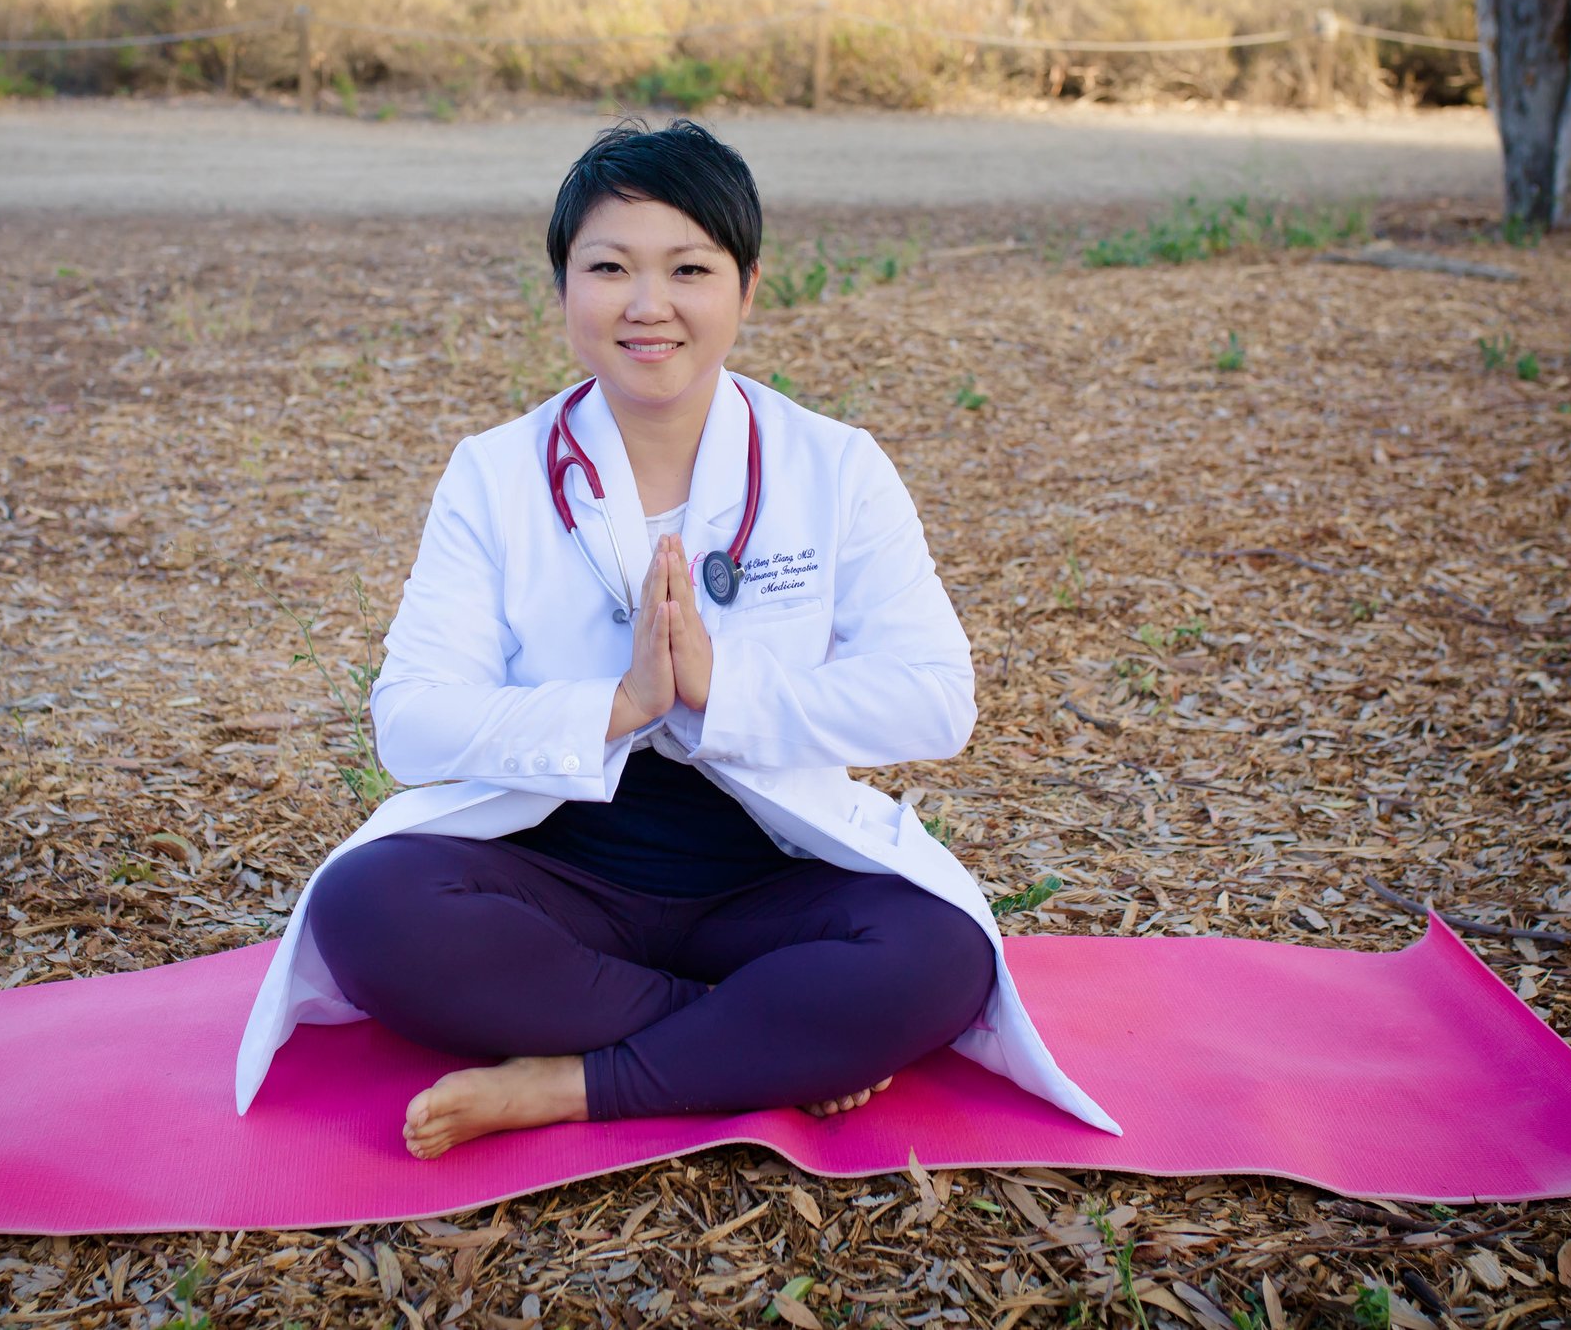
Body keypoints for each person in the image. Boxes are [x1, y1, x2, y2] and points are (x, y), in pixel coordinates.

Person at [232, 118, 1119, 1157]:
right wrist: (620, 706)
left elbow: (934, 698)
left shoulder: (834, 466)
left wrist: (717, 685)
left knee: (937, 953)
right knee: (368, 907)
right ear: (562, 288)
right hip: (557, 869)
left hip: (770, 869)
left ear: (746, 287)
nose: (647, 305)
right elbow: (410, 722)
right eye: (608, 267)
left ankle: (571, 1081)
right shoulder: (496, 470)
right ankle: (764, 1034)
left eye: (688, 268)